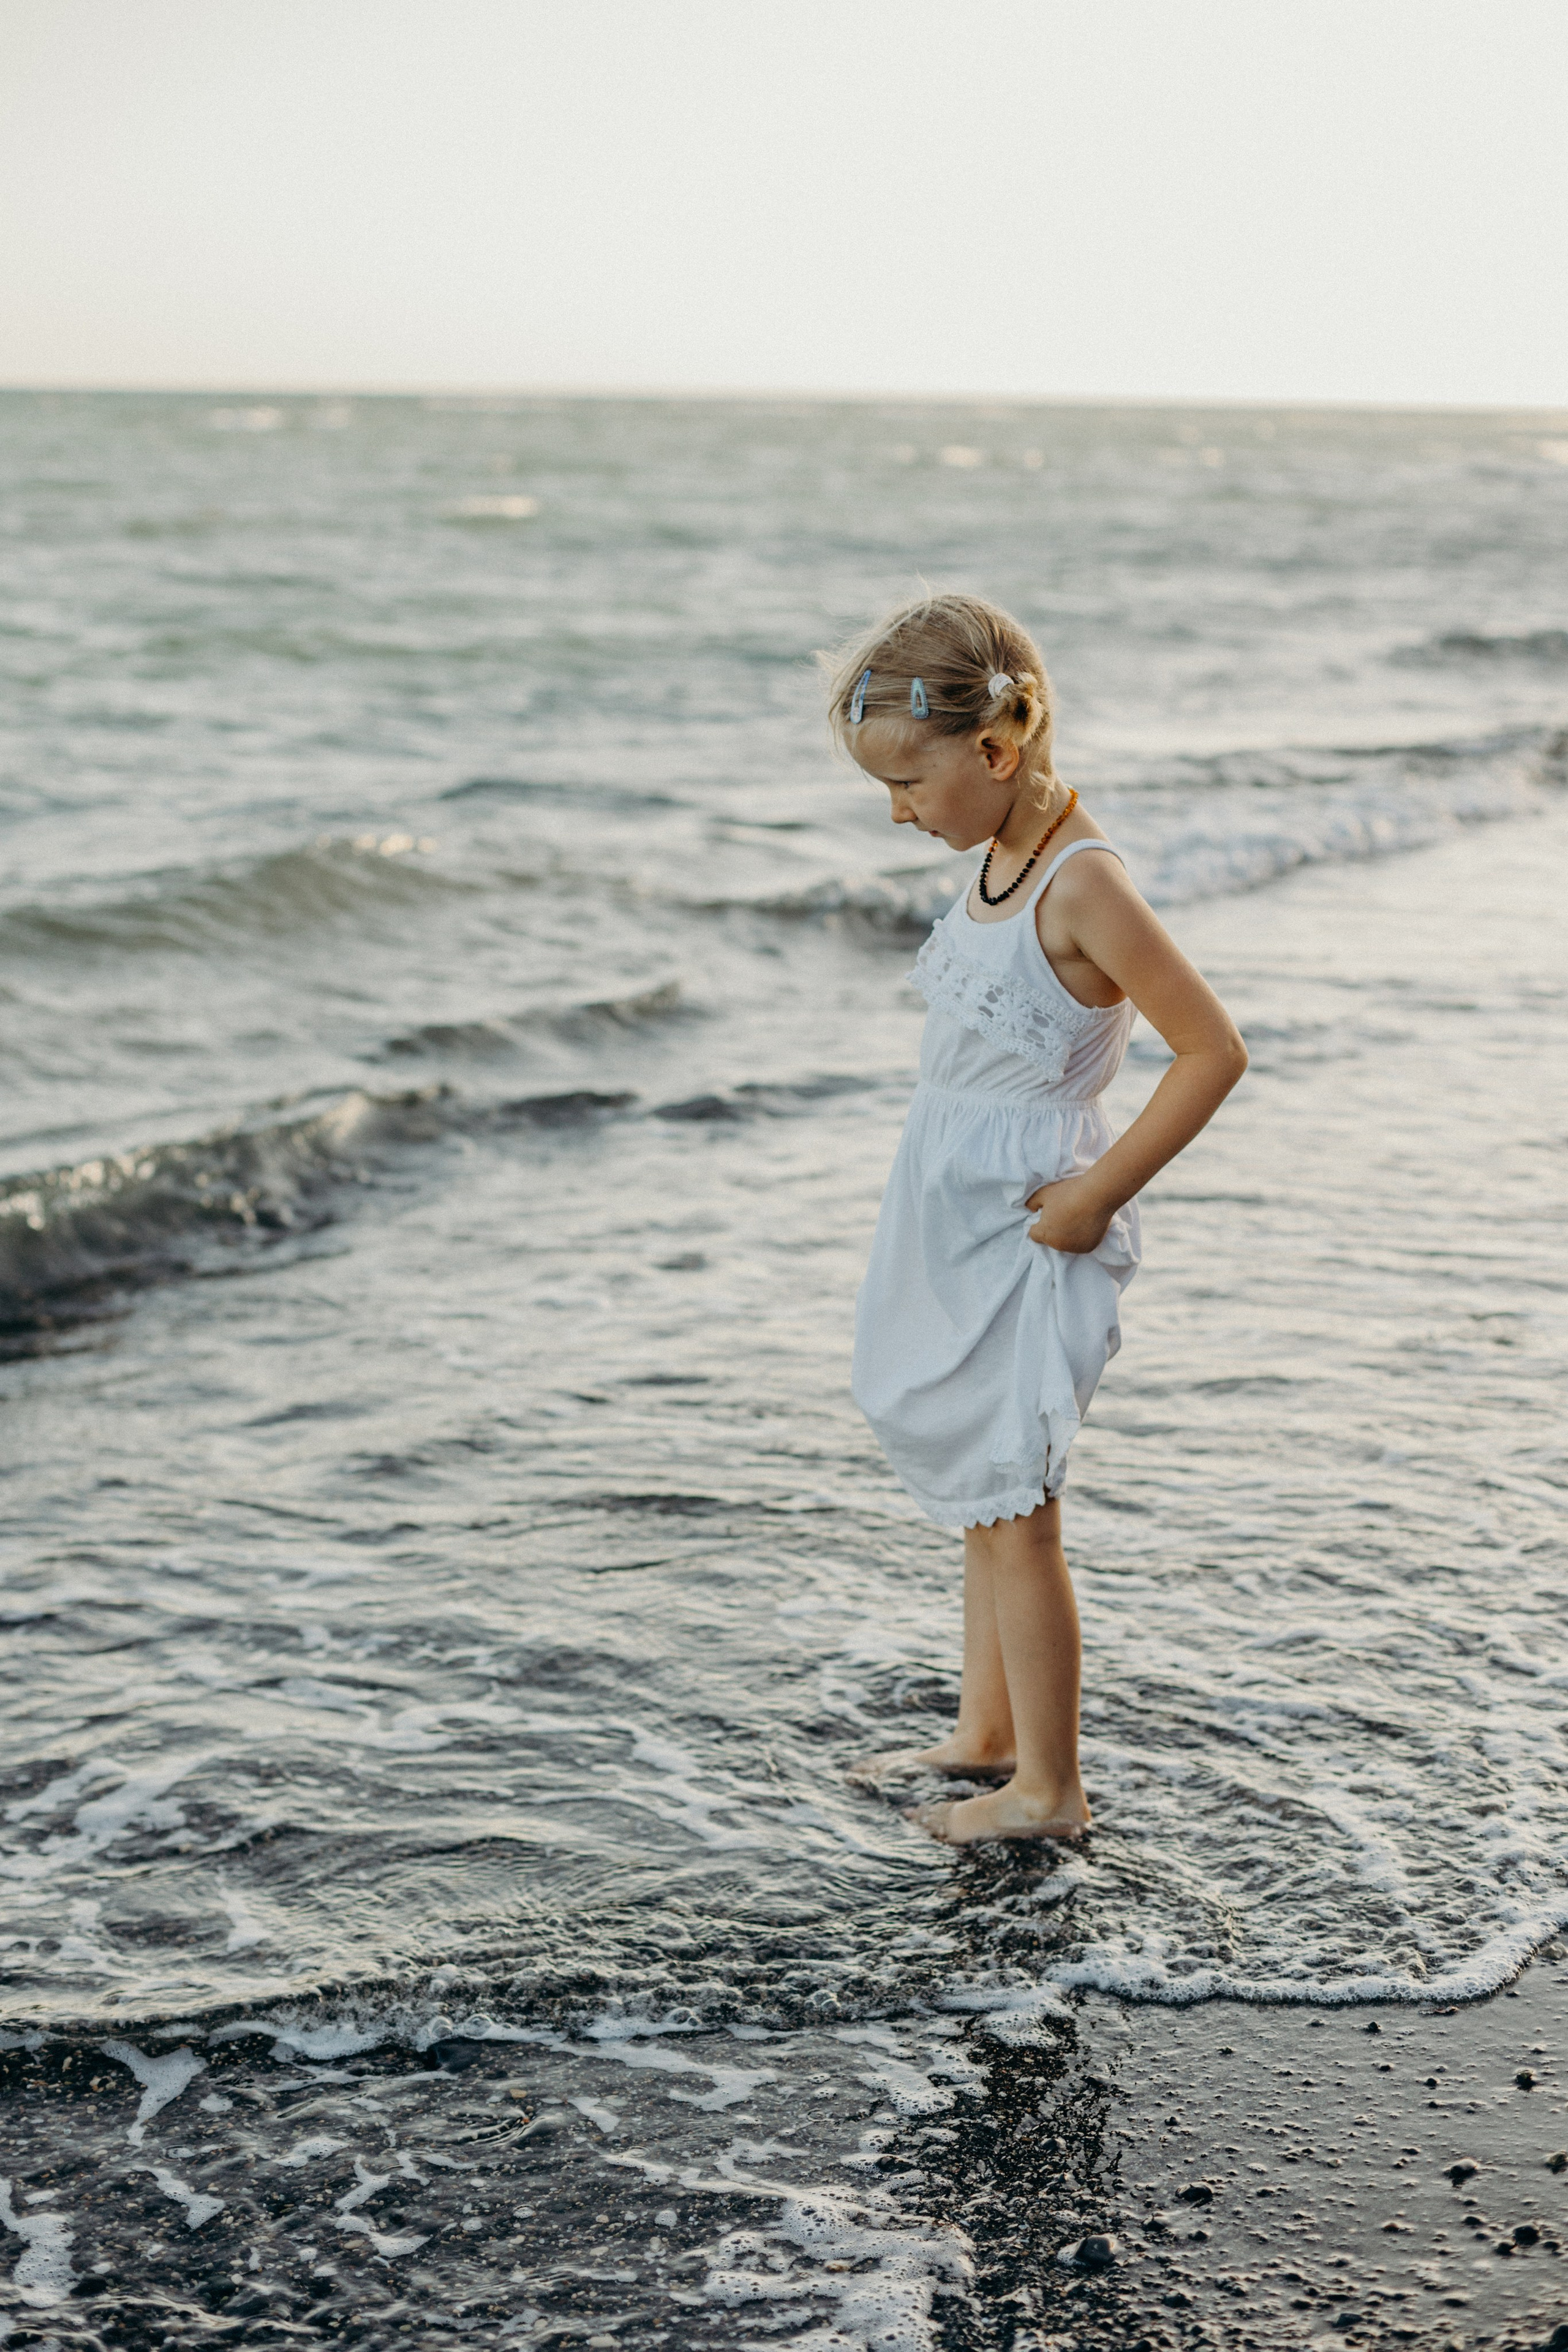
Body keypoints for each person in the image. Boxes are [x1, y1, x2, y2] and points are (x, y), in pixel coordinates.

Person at [829, 592, 1247, 1845]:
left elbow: (1211, 1051)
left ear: (996, 749)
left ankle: (1050, 1790)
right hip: (953, 1212)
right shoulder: (1001, 854)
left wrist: (1095, 1193)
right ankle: (987, 1734)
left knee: (1019, 1504)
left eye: (908, 782)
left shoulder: (1082, 882)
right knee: (983, 1486)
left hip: (1030, 1227)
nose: (897, 811)